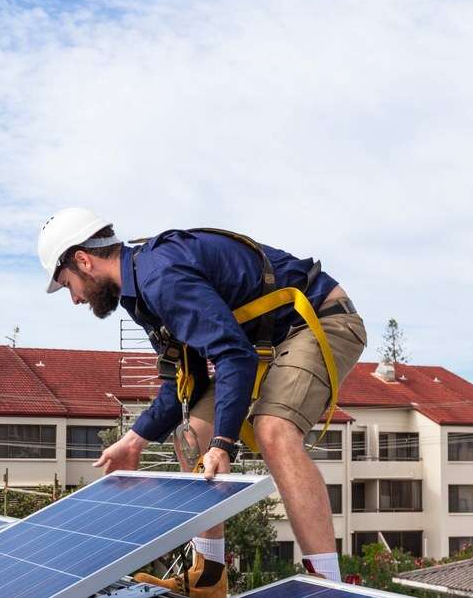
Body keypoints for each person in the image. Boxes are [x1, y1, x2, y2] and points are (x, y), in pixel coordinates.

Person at [38, 207, 366, 597]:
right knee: (192, 433)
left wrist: (223, 444)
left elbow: (234, 356)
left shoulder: (160, 276)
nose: (74, 298)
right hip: (261, 344)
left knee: (273, 429)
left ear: (82, 260)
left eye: (67, 284)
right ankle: (209, 576)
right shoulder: (140, 293)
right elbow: (183, 384)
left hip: (319, 319)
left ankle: (327, 586)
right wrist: (134, 440)